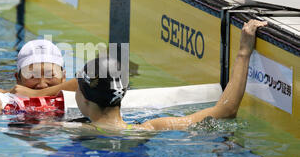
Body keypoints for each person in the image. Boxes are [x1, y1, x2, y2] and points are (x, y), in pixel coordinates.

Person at [75, 19, 268, 131]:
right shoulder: (150, 128)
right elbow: (226, 110)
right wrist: (244, 52)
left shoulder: (75, 130)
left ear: (84, 98)